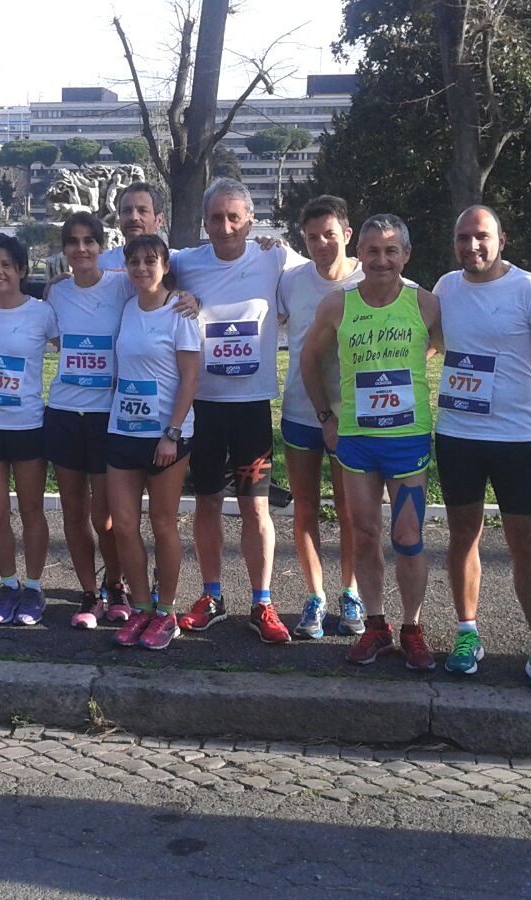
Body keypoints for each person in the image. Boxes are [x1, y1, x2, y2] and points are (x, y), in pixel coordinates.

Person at [432, 205, 531, 695]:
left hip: (514, 439)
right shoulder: (445, 288)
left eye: (481, 237)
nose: (471, 246)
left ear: (501, 239)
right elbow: (426, 342)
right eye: (462, 238)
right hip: (456, 436)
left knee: (526, 546)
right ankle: (467, 634)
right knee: (462, 537)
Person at [300, 214, 444, 670]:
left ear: (405, 255)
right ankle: (376, 625)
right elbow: (308, 359)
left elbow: (462, 349)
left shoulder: (425, 303)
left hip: (408, 439)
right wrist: (326, 416)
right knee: (363, 533)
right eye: (373, 251)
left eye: (391, 250)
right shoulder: (337, 306)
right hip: (357, 440)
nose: (381, 260)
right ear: (358, 254)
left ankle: (413, 628)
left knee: (408, 536)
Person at [171, 178, 305, 644]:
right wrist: (69, 276)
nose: (225, 227)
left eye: (234, 217)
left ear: (251, 219)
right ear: (204, 221)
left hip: (250, 406)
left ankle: (262, 602)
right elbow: (130, 270)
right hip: (203, 405)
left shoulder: (274, 256)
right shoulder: (185, 262)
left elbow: (336, 272)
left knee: (256, 507)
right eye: (215, 218)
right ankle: (210, 597)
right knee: (207, 502)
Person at [108, 234, 202, 650]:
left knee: (162, 524)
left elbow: (190, 379)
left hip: (166, 436)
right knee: (125, 525)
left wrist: (172, 433)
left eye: (151, 261)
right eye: (135, 262)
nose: (142, 268)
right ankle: (142, 608)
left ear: (165, 266)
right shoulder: (128, 308)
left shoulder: (180, 311)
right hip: (122, 430)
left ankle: (167, 611)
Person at [279, 195, 366, 640]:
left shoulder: (373, 279)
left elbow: (422, 335)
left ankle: (351, 591)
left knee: (350, 511)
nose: (321, 244)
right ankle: (315, 596)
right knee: (305, 508)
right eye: (312, 237)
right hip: (299, 411)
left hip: (353, 418)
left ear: (347, 235)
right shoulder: (291, 280)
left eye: (330, 235)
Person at [44, 212, 136, 627]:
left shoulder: (121, 283)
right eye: (73, 241)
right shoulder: (55, 293)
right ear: (64, 249)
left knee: (107, 514)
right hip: (64, 411)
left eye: (89, 241)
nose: (81, 249)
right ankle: (88, 592)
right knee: (73, 510)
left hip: (107, 414)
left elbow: (167, 280)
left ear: (101, 246)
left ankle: (116, 584)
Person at [0, 235, 60, 626]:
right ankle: (7, 585)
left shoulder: (43, 313)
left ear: (22, 270)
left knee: (31, 510)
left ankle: (34, 588)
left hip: (27, 425)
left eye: (7, 265)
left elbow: (66, 349)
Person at [96, 182, 165, 269]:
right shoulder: (101, 265)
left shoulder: (176, 263)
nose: (134, 217)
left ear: (159, 220)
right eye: (127, 211)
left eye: (142, 211)